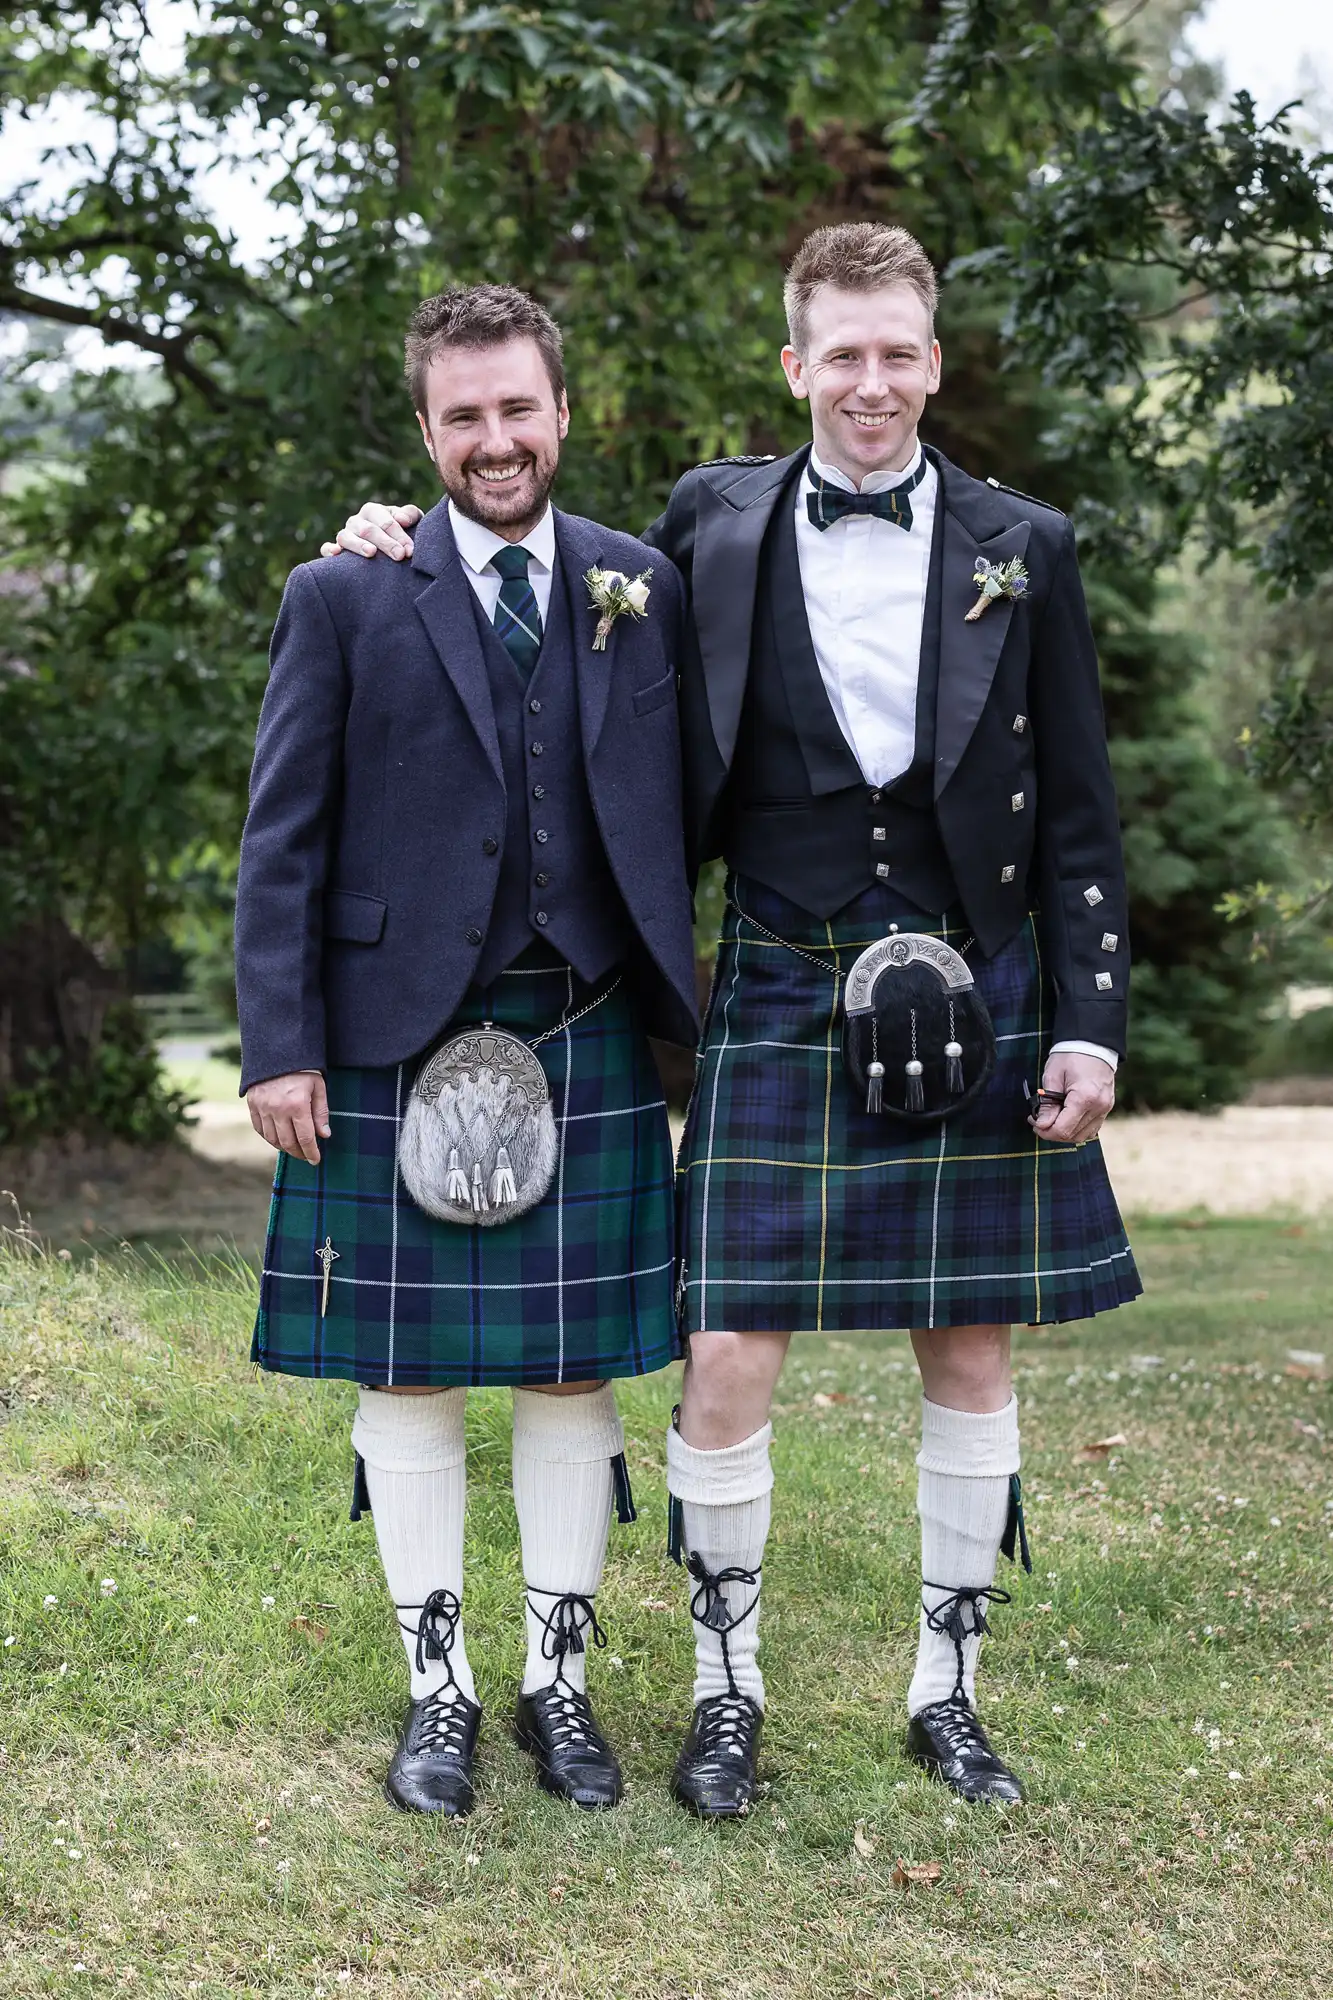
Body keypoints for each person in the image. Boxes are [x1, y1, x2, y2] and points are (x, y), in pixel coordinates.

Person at [320, 222, 1141, 1818]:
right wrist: (389, 540)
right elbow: (542, 611)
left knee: (970, 1345)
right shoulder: (713, 521)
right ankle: (723, 1697)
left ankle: (947, 1695)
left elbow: (1085, 814)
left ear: (934, 360)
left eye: (900, 352)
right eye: (843, 353)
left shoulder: (1023, 545)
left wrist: (1091, 1021)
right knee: (723, 1352)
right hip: (778, 970)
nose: (873, 383)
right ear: (796, 367)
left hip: (981, 980)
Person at [237, 283, 697, 1821]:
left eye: (519, 409)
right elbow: (281, 840)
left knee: (573, 1371)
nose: (496, 440)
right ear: (426, 429)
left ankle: (555, 1686)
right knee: (407, 1367)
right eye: (465, 416)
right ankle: (437, 1692)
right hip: (389, 1039)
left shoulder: (642, 584)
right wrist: (279, 1046)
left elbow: (695, 796)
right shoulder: (347, 593)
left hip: (581, 1030)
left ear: (564, 412)